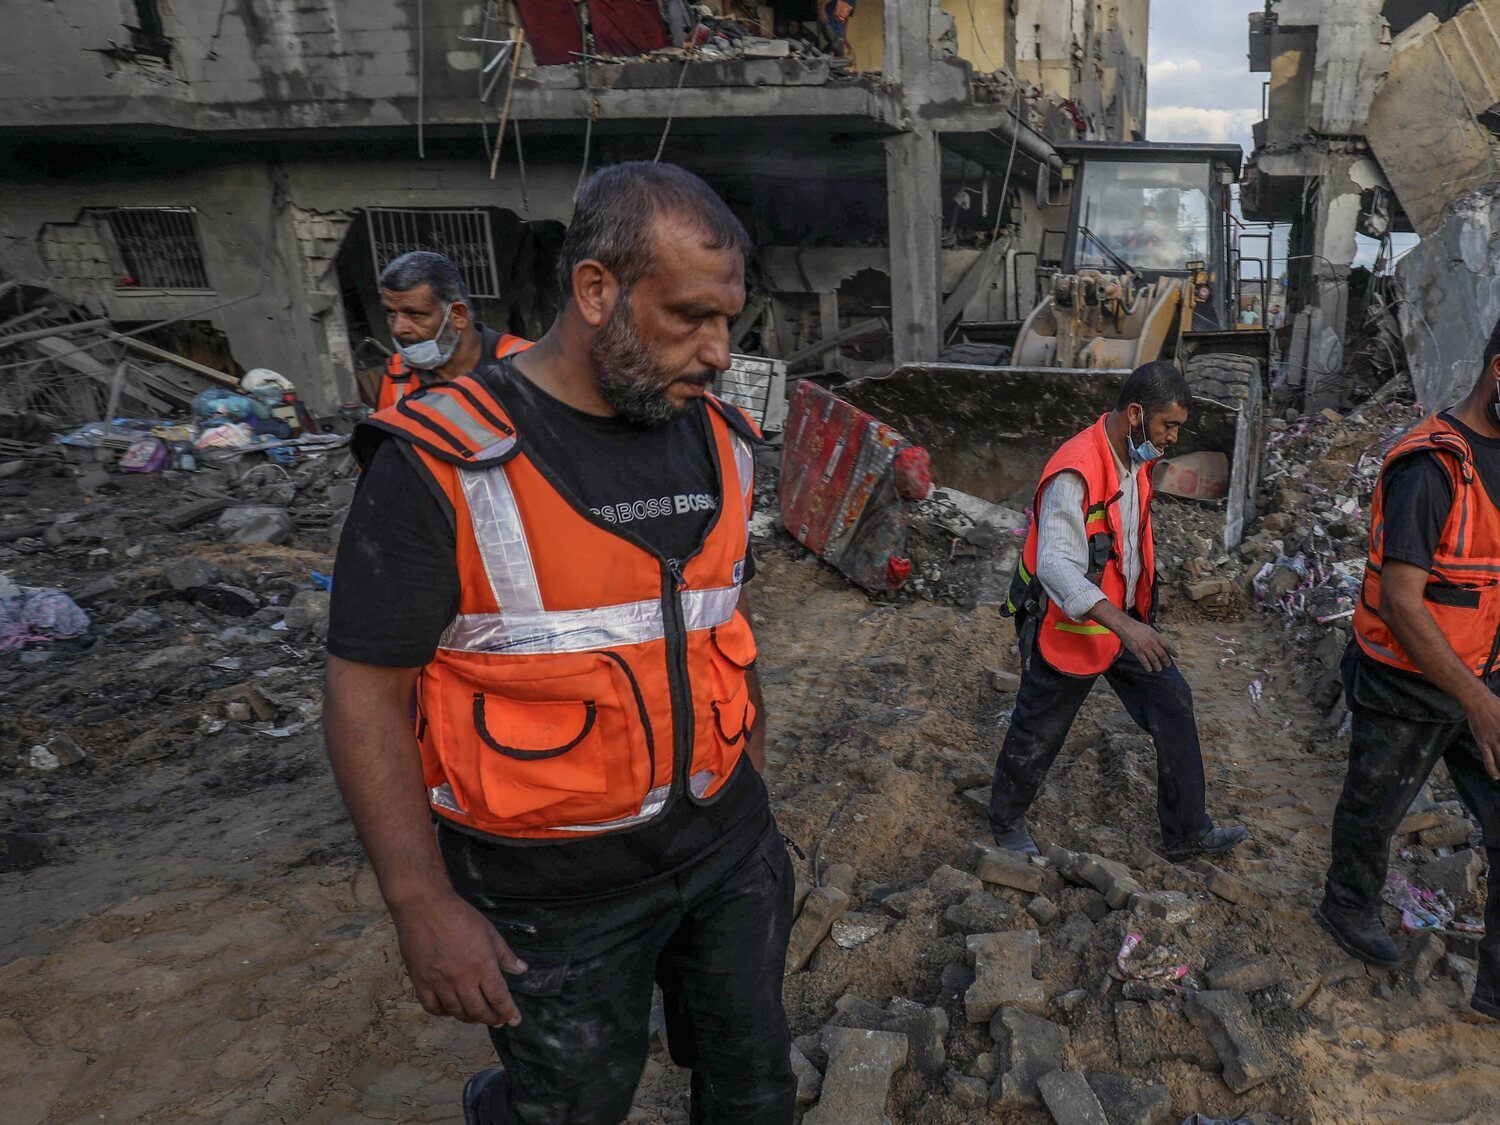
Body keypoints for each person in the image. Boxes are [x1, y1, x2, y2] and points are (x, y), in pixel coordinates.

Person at [323, 162, 797, 1123]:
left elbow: (718, 629)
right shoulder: (439, 462)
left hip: (729, 849)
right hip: (552, 894)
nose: (718, 350)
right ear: (595, 290)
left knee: (755, 1087)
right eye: (689, 317)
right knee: (574, 1103)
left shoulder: (725, 439)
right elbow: (365, 693)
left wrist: (755, 818)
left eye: (729, 321)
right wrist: (420, 904)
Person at [989, 361, 1249, 861]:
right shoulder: (1075, 470)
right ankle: (1005, 821)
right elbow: (1057, 568)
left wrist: (1135, 619)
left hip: (1123, 624)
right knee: (1038, 731)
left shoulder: (1134, 460)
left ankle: (1187, 831)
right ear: (1135, 414)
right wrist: (1128, 625)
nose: (1172, 437)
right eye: (1167, 425)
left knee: (1173, 704)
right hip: (1068, 628)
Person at [1317, 315, 1500, 1022]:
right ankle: (1347, 904)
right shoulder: (1429, 465)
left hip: (1481, 671)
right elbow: (1401, 600)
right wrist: (1477, 701)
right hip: (1404, 677)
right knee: (1374, 807)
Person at [374, 250, 532, 412]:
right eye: (391, 313)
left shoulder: (529, 362)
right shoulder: (396, 376)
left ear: (458, 315)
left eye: (415, 314)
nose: (398, 328)